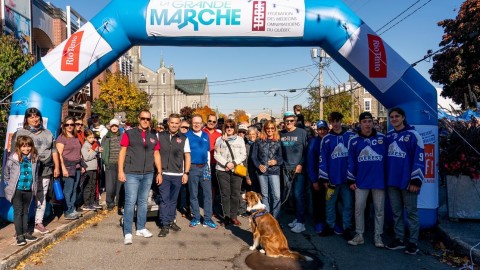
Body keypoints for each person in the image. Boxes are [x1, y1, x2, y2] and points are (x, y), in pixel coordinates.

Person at [9, 107, 59, 234]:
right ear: (26, 119)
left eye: (37, 116)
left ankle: (38, 223)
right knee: (25, 200)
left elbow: (54, 151)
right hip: (27, 173)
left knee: (41, 197)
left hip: (46, 170)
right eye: (31, 117)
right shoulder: (20, 133)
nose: (35, 119)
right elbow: (14, 153)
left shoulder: (48, 133)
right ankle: (21, 229)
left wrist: (57, 167)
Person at [118, 110, 162, 245]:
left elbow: (156, 154)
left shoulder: (153, 135)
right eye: (143, 118)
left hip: (148, 173)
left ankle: (141, 227)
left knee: (143, 202)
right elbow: (123, 152)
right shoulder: (129, 134)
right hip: (131, 173)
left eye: (148, 119)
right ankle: (128, 232)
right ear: (139, 119)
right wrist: (120, 171)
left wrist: (159, 172)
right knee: (130, 202)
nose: (145, 121)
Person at [385, 107, 425, 255]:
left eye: (397, 116)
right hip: (392, 181)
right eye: (392, 117)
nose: (394, 119)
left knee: (412, 213)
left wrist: (416, 181)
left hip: (408, 182)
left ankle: (413, 242)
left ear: (403, 117)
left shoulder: (413, 135)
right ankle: (399, 239)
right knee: (396, 212)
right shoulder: (389, 136)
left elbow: (420, 158)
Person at [346, 112, 387, 247]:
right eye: (364, 121)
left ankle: (378, 236)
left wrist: (387, 177)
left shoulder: (382, 138)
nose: (367, 124)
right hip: (361, 181)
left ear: (373, 123)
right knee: (359, 209)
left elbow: (388, 160)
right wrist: (351, 180)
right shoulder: (354, 140)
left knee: (379, 210)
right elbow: (351, 161)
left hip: (379, 180)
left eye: (370, 121)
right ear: (360, 123)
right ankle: (359, 235)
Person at [319, 112, 356, 237]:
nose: (335, 124)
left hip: (347, 179)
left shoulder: (351, 136)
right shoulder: (326, 139)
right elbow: (322, 159)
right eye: (332, 122)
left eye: (337, 121)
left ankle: (347, 228)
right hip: (332, 180)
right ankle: (330, 226)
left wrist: (354, 176)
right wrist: (324, 178)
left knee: (348, 204)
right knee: (330, 204)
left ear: (341, 121)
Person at [157, 114, 191, 237]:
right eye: (172, 123)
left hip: (178, 174)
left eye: (177, 123)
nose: (174, 125)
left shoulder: (184, 138)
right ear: (168, 123)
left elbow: (187, 156)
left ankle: (171, 221)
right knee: (164, 200)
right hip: (164, 174)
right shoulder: (159, 136)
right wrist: (159, 172)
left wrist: (186, 173)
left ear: (179, 124)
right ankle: (164, 225)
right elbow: (156, 155)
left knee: (173, 201)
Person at [4, 136, 40, 245]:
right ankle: (19, 235)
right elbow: (6, 174)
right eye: (23, 147)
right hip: (17, 191)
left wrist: (35, 187)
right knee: (18, 212)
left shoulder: (34, 158)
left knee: (26, 212)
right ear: (19, 147)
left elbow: (36, 174)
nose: (26, 149)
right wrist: (8, 186)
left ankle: (26, 233)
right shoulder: (13, 159)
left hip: (28, 190)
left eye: (28, 146)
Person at [184, 114, 217, 229]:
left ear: (202, 123)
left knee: (207, 194)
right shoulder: (186, 136)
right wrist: (186, 171)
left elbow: (208, 152)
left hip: (204, 168)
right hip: (192, 168)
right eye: (194, 122)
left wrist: (208, 167)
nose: (197, 124)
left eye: (199, 122)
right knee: (194, 194)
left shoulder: (205, 135)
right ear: (191, 124)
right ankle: (196, 217)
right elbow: (185, 155)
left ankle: (207, 219)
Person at [214, 119, 247, 227]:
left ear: (234, 128)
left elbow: (243, 155)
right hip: (222, 170)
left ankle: (234, 217)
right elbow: (216, 154)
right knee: (225, 194)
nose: (229, 128)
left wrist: (233, 163)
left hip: (236, 169)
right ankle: (226, 217)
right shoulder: (219, 140)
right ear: (224, 128)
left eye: (231, 127)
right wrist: (226, 163)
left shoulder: (240, 140)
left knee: (235, 194)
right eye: (227, 127)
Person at [280, 111, 308, 233]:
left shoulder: (302, 133)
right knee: (291, 196)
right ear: (284, 122)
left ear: (295, 121)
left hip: (298, 169)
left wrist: (301, 164)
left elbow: (307, 151)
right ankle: (297, 218)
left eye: (291, 121)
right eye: (287, 121)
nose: (289, 123)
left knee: (298, 195)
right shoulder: (281, 134)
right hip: (286, 169)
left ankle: (301, 222)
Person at [251, 120, 283, 219]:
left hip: (274, 171)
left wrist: (276, 162)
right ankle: (268, 219)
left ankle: (275, 219)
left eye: (272, 128)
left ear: (275, 129)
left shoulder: (278, 141)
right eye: (267, 128)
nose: (269, 130)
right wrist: (259, 165)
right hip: (262, 172)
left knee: (277, 196)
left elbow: (281, 158)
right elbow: (253, 157)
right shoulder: (258, 141)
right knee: (265, 196)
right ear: (264, 129)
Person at [56, 116, 84, 220]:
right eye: (67, 124)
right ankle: (67, 211)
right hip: (67, 167)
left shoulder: (75, 136)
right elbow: (59, 155)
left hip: (77, 166)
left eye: (72, 124)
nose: (70, 126)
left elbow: (79, 151)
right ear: (64, 126)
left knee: (75, 189)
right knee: (68, 190)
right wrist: (63, 168)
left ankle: (72, 209)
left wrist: (82, 164)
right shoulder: (61, 138)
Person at [306, 120, 329, 234]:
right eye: (320, 129)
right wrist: (314, 180)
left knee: (330, 201)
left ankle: (330, 221)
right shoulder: (314, 142)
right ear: (317, 130)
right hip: (318, 177)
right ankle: (318, 221)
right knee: (318, 201)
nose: (323, 131)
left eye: (324, 129)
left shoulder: (330, 140)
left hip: (330, 177)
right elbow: (310, 163)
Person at [202, 113, 222, 218]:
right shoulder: (201, 132)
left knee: (213, 188)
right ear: (206, 121)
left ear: (216, 123)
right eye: (210, 121)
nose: (211, 123)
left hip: (215, 163)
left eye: (214, 122)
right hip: (203, 163)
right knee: (204, 187)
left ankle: (211, 208)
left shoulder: (219, 135)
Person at [101, 118, 123, 212]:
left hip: (120, 163)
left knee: (120, 184)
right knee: (110, 186)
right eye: (112, 126)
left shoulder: (122, 136)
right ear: (110, 127)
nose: (114, 127)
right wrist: (104, 160)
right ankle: (110, 202)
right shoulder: (106, 137)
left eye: (116, 126)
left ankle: (119, 202)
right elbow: (102, 149)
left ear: (118, 127)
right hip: (110, 163)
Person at [81, 130, 103, 211]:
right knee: (88, 186)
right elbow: (86, 157)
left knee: (93, 185)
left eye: (93, 137)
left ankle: (92, 202)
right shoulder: (85, 146)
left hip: (94, 168)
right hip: (88, 168)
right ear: (86, 138)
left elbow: (93, 152)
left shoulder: (92, 145)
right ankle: (86, 204)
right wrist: (95, 151)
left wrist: (97, 150)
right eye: (90, 137)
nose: (92, 139)